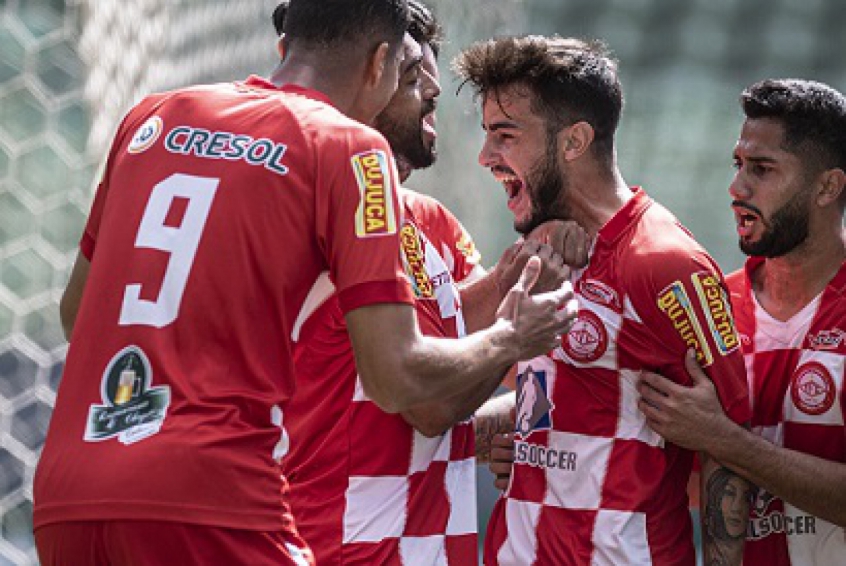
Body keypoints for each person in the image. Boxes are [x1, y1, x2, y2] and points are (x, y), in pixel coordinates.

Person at [32, 1, 579, 563]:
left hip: (70, 491)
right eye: (411, 76)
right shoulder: (351, 150)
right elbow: (400, 379)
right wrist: (511, 337)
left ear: (285, 48)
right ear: (381, 64)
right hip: (212, 499)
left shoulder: (152, 117)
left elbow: (80, 314)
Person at [273, 3, 587, 563]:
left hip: (433, 547)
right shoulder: (313, 212)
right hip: (338, 544)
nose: (431, 105)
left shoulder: (433, 222)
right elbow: (430, 402)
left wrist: (528, 263)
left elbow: (462, 345)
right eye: (420, 87)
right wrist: (516, 332)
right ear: (378, 74)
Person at [453, 35, 752, 565]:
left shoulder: (666, 263)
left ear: (574, 142)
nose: (485, 157)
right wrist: (521, 448)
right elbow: (558, 395)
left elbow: (730, 454)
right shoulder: (540, 251)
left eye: (505, 135)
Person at [639, 78, 846, 566]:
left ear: (828, 186)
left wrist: (724, 440)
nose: (737, 187)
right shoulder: (709, 307)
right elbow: (680, 474)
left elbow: (716, 441)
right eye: (738, 165)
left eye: (762, 169)